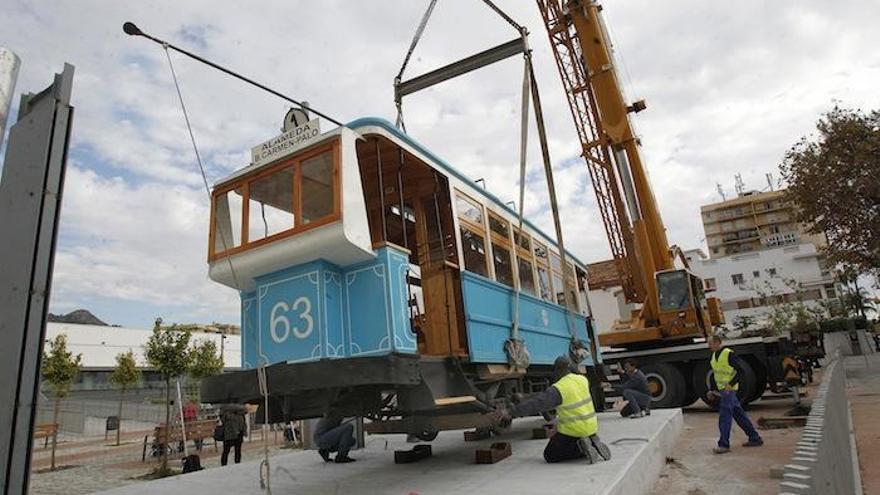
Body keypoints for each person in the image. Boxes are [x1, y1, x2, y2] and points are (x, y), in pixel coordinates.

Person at [494, 355, 611, 464]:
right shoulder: (582, 380)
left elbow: (538, 403)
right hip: (591, 427)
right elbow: (545, 395)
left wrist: (510, 412)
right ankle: (591, 442)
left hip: (574, 431)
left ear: (558, 370)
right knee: (559, 438)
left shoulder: (560, 387)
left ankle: (580, 447)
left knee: (550, 455)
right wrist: (525, 397)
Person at [708, 335, 763, 454]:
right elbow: (715, 374)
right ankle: (754, 438)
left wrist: (731, 384)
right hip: (723, 390)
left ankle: (723, 444)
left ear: (717, 342)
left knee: (725, 414)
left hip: (729, 390)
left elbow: (740, 371)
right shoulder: (713, 356)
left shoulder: (728, 353)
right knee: (739, 414)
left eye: (710, 343)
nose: (709, 346)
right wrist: (712, 389)